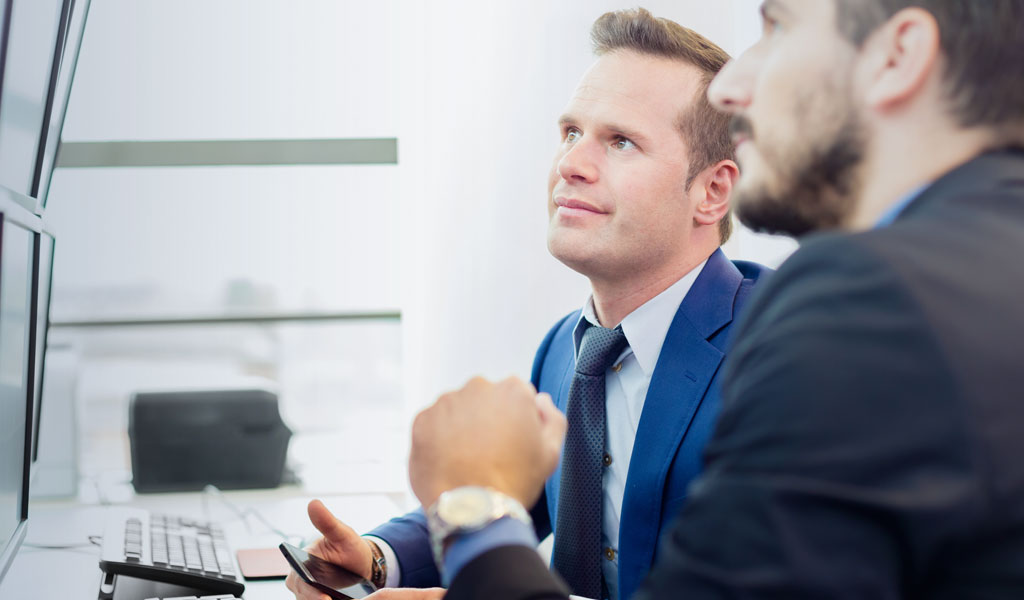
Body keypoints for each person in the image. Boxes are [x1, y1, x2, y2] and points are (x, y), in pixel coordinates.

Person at [411, 0, 1024, 598]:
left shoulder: (862, 301)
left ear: (898, 55)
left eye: (777, 24)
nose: (733, 86)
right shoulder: (985, 269)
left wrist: (472, 513)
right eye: (570, 133)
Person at [285, 9, 769, 600]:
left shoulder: (778, 346)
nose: (570, 164)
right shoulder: (570, 349)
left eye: (620, 141)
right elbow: (514, 499)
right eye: (570, 133)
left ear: (712, 191)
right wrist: (377, 557)